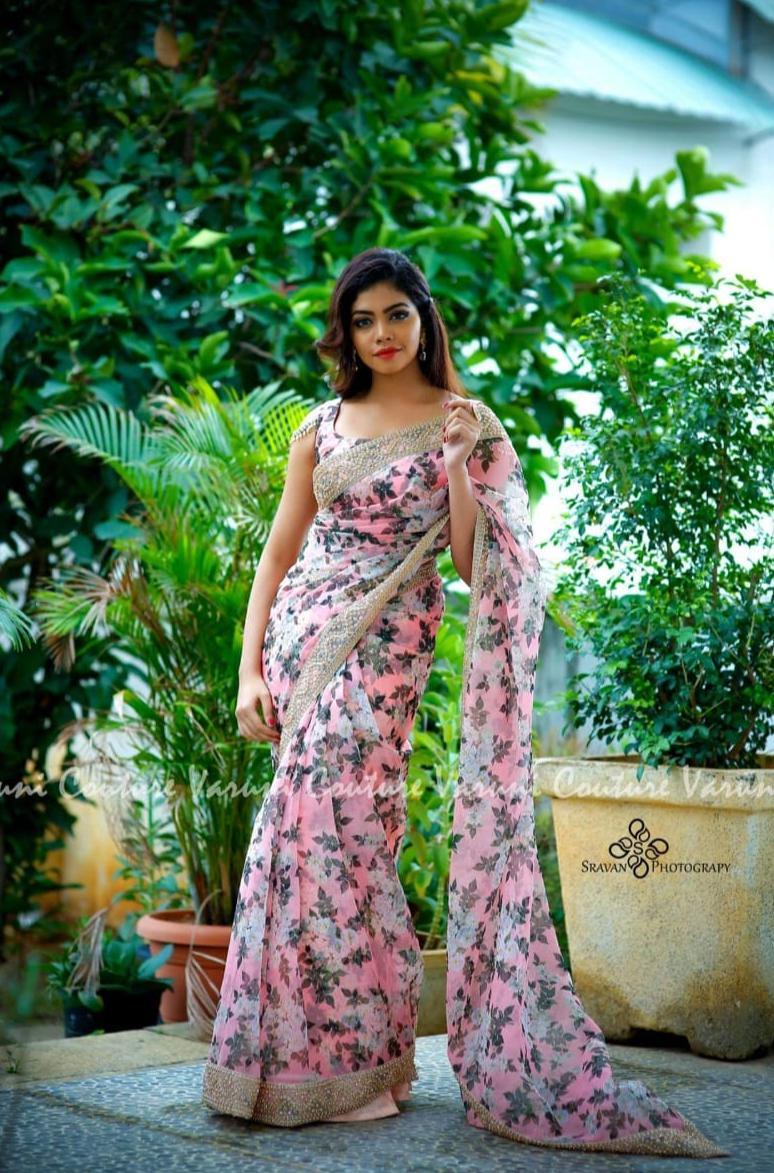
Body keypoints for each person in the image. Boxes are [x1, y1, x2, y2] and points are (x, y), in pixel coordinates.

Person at [201, 248, 728, 1157]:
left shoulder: (464, 422)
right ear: (347, 332)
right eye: (363, 320)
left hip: (387, 649)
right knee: (299, 831)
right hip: (302, 643)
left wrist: (454, 466)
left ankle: (360, 1061)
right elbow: (277, 555)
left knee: (345, 830)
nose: (381, 334)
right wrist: (248, 670)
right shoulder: (319, 427)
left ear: (424, 316)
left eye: (395, 314)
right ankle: (309, 1063)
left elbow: (474, 562)